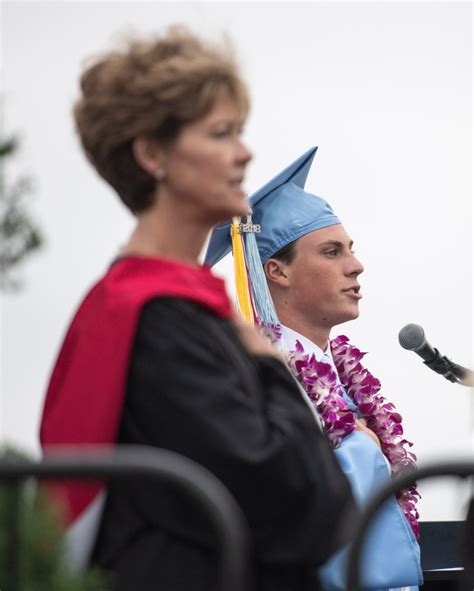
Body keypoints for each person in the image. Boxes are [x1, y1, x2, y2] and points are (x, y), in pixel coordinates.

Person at [39, 30, 355, 591]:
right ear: (152, 154)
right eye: (221, 133)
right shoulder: (160, 321)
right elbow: (300, 511)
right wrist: (267, 362)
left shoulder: (153, 306)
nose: (245, 152)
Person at [205, 147, 423, 590]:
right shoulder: (256, 381)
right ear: (276, 272)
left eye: (351, 250)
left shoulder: (343, 379)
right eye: (331, 251)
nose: (356, 265)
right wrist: (363, 451)